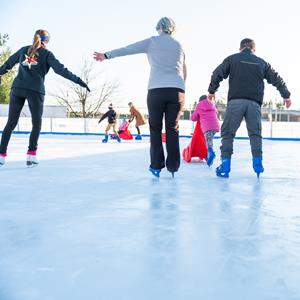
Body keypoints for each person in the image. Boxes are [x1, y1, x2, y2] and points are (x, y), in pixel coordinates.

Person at [94, 17, 186, 178]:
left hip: (156, 89)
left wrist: (107, 55)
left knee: (155, 128)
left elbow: (128, 49)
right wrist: (180, 86)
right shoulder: (179, 45)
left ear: (159, 28)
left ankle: (157, 166)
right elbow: (185, 69)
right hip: (177, 90)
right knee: (172, 128)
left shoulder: (152, 42)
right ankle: (173, 166)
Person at [0, 29, 90, 167]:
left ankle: (1, 156)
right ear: (47, 41)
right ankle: (31, 156)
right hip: (35, 90)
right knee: (36, 123)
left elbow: (7, 65)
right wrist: (79, 81)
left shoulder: (23, 49)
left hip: (17, 88)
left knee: (11, 123)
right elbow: (61, 70)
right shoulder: (47, 54)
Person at [207, 38, 291, 178]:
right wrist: (286, 95)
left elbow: (217, 73)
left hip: (235, 103)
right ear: (254, 49)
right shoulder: (261, 62)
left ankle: (225, 165)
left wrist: (211, 91)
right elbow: (276, 78)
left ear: (240, 48)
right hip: (254, 104)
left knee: (228, 134)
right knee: (255, 134)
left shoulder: (232, 59)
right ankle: (257, 164)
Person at [191, 95, 220, 166]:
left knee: (208, 142)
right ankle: (208, 154)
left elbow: (193, 118)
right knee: (209, 140)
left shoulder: (199, 106)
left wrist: (195, 114)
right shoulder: (212, 105)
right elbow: (216, 113)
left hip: (207, 127)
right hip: (216, 126)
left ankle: (210, 154)